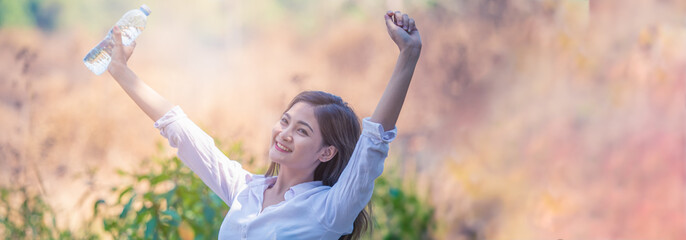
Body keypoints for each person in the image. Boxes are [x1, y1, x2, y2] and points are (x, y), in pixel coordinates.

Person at [107, 10, 421, 240]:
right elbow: (180, 130)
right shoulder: (246, 190)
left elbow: (373, 144)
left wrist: (409, 54)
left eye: (302, 130)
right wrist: (120, 70)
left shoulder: (329, 210)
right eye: (285, 121)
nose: (284, 133)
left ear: (326, 152)